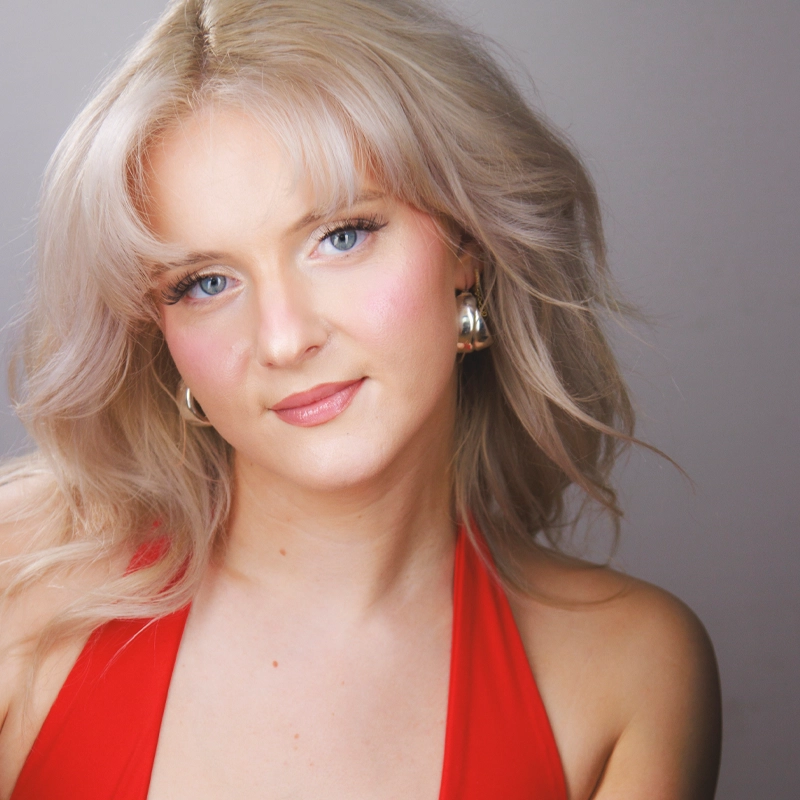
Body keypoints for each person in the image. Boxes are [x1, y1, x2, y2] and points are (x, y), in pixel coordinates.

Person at [0, 0, 722, 797]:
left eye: (341, 236)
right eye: (206, 283)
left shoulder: (625, 671)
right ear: (157, 331)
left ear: (467, 245)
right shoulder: (20, 584)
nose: (283, 338)